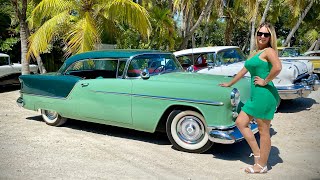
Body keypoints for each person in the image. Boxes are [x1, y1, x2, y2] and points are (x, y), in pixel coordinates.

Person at [219, 22, 282, 174]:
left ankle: (261, 166)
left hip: (264, 94)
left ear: (270, 37)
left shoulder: (269, 51)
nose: (262, 36)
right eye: (260, 33)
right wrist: (230, 83)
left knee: (263, 130)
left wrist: (265, 81)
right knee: (241, 122)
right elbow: (243, 70)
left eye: (266, 34)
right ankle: (258, 154)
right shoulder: (256, 52)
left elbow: (278, 67)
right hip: (256, 96)